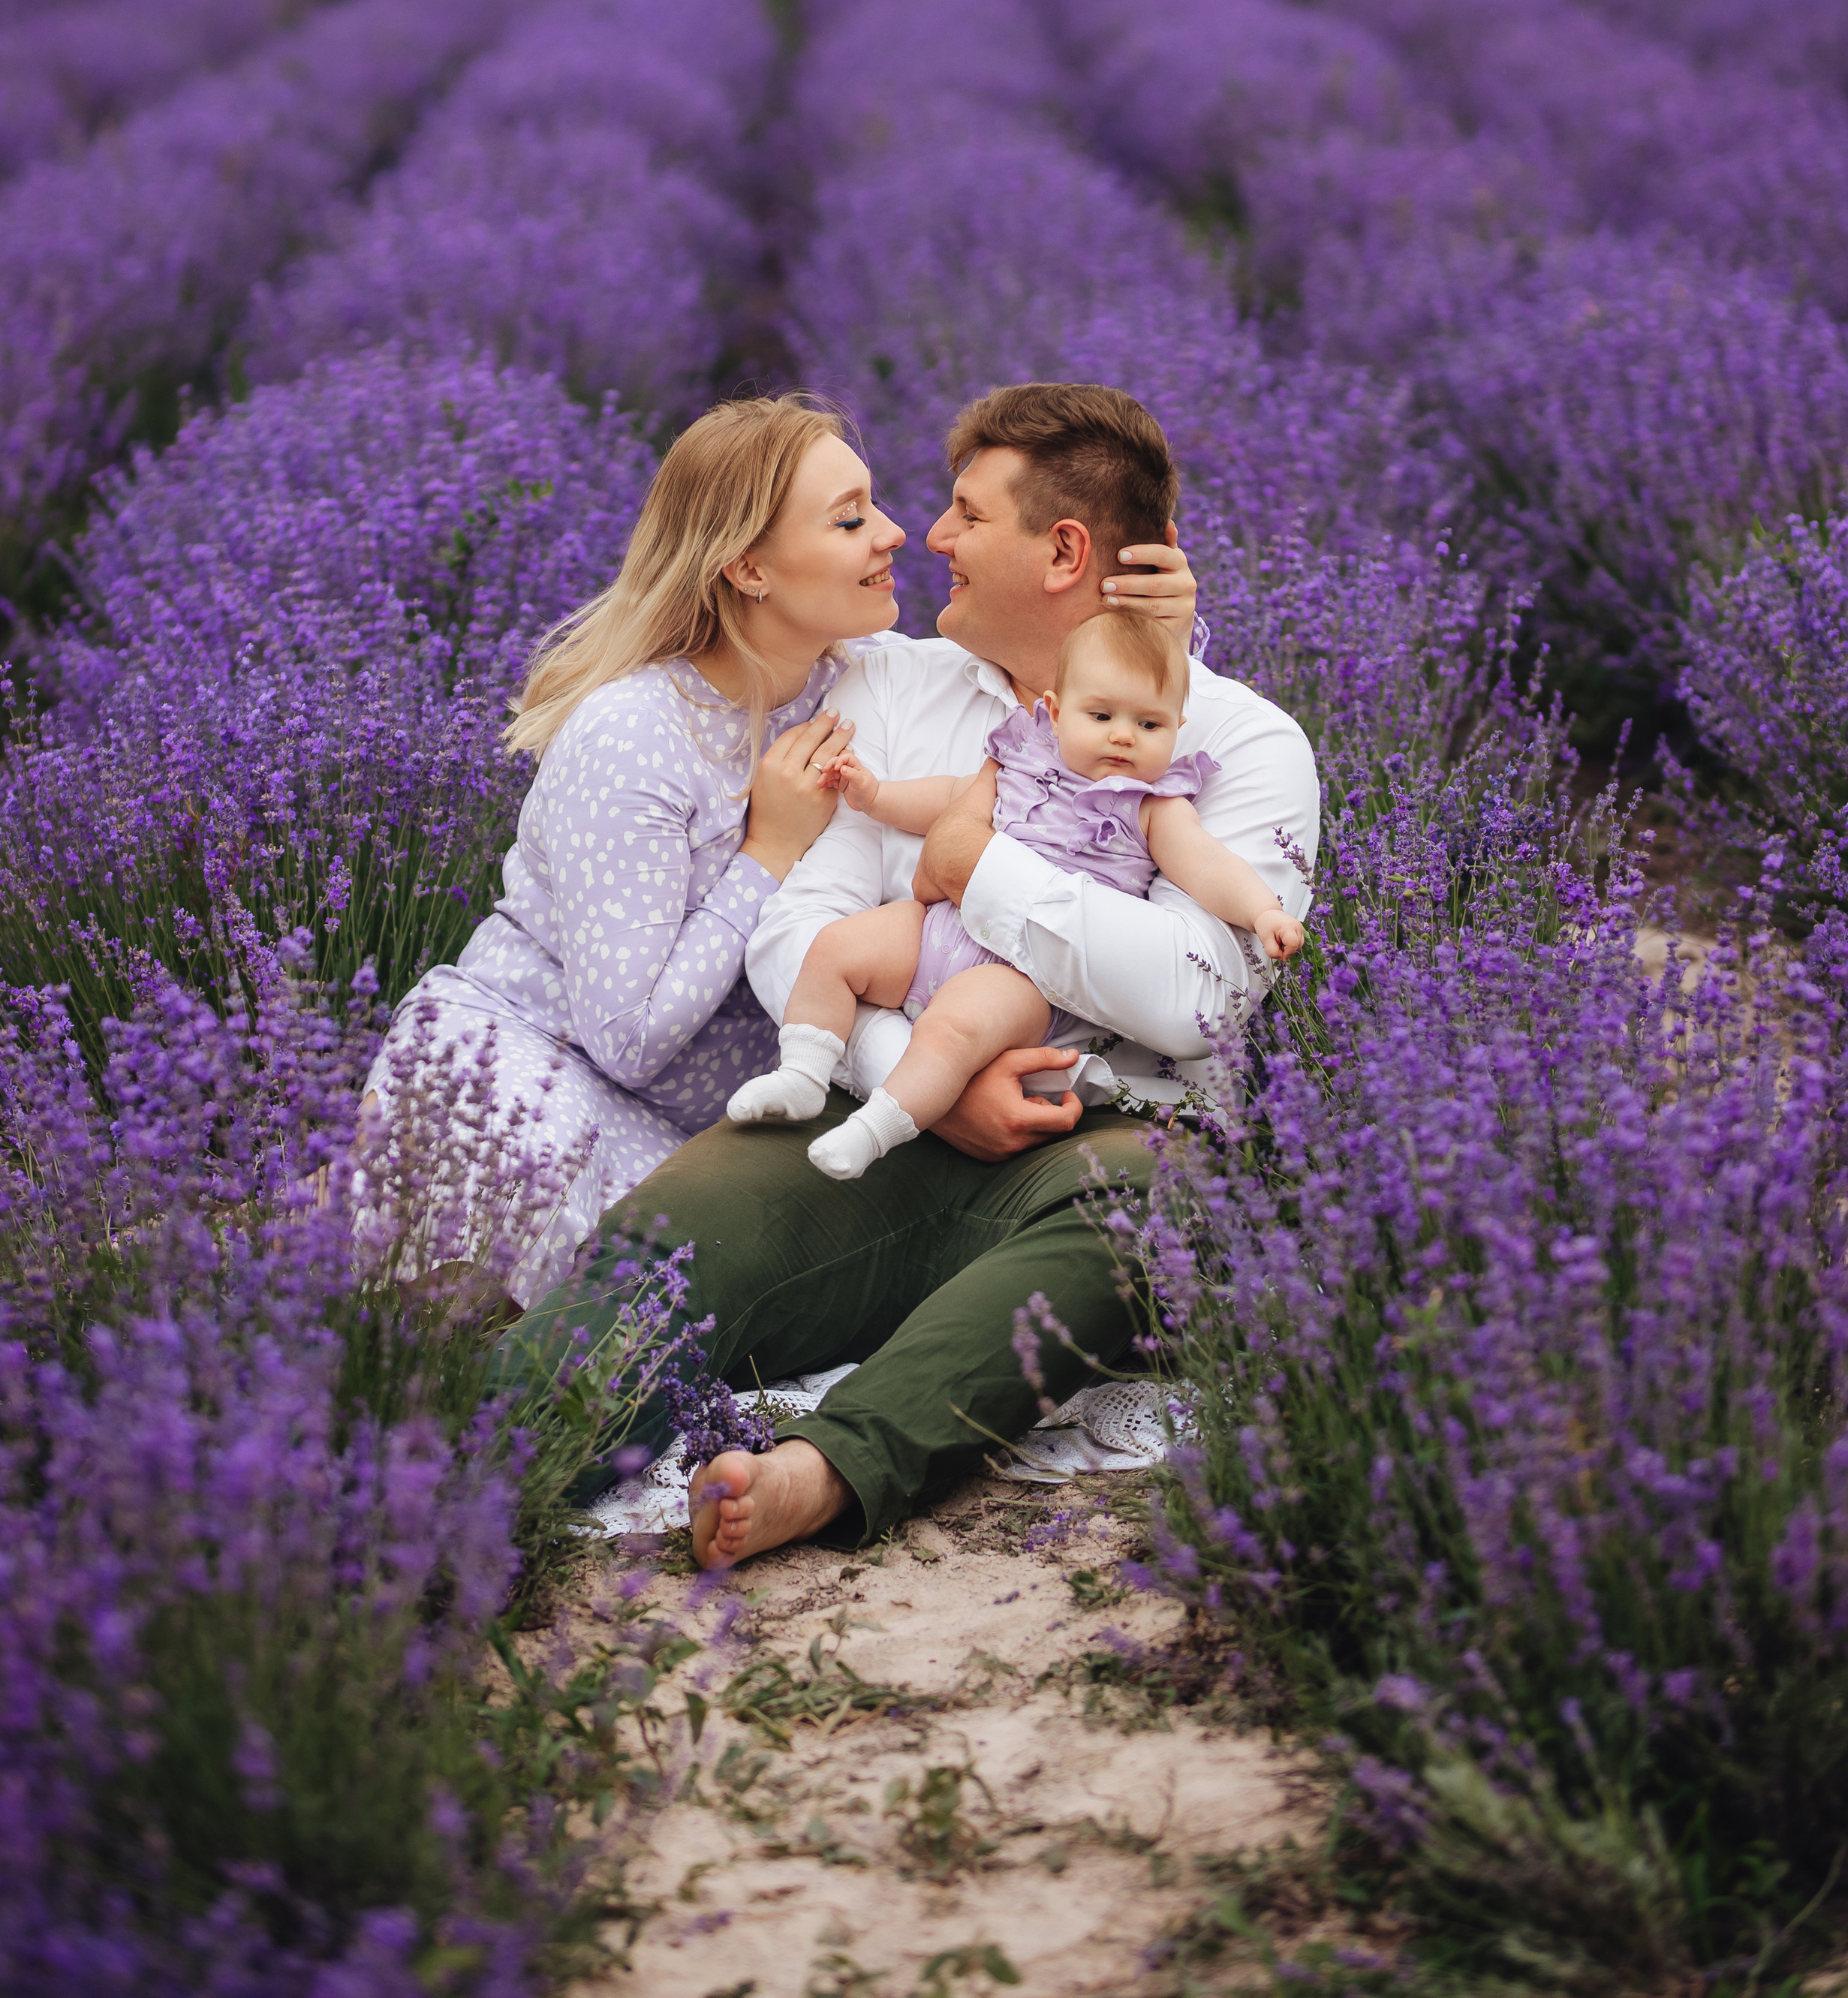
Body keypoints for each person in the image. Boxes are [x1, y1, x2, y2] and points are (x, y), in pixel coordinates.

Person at [489, 381, 1320, 1564]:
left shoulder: (1241, 744)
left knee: (1152, 1219)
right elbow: (798, 928)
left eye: (966, 515)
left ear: (1066, 549)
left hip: (1106, 1141)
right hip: (869, 1122)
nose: (927, 538)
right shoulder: (896, 689)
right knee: (671, 1245)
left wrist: (978, 870)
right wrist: (915, 1078)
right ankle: (422, 1480)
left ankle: (821, 1476)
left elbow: (1198, 999)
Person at [361, 393, 894, 1299]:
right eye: (849, 519)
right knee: (519, 1232)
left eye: (874, 504)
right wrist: (765, 854)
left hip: (710, 1124)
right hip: (536, 1061)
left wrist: (1157, 616)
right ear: (749, 569)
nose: (891, 533)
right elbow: (628, 1038)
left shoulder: (872, 679)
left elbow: (1071, 708)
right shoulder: (638, 735)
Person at [731, 607, 1306, 1180]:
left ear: (1178, 727)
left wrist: (1261, 911)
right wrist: (877, 796)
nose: (1123, 735)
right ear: (1055, 713)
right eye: (1101, 715)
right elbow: (947, 798)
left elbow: (1208, 866)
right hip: (939, 926)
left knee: (948, 1031)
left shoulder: (1154, 807)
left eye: (1149, 725)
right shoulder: (1021, 756)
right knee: (835, 949)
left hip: (1020, 975)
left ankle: (874, 1131)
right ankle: (804, 1075)